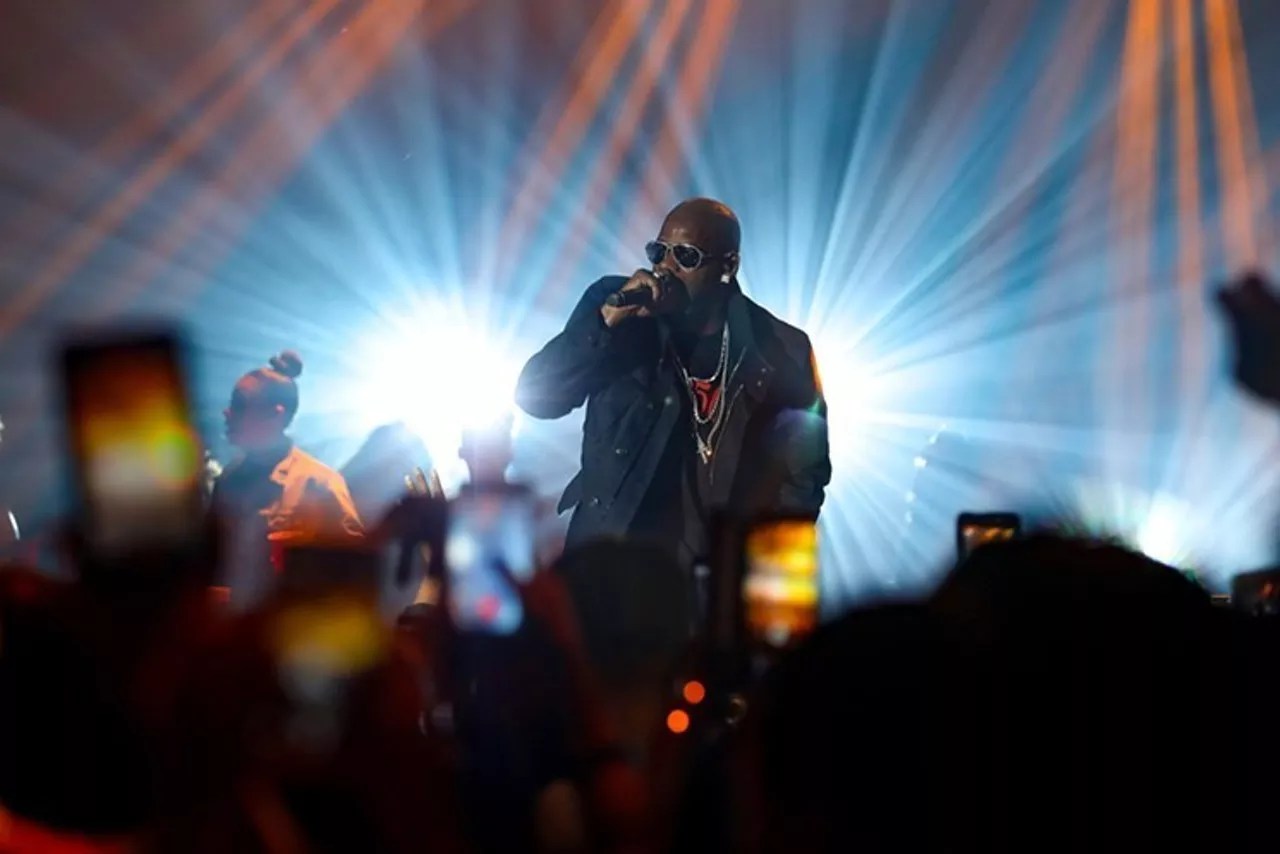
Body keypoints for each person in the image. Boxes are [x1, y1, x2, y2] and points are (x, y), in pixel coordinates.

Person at [516, 198, 831, 566]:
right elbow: (536, 398)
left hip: (713, 575)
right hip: (612, 566)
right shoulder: (618, 315)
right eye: (658, 251)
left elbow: (802, 475)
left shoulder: (782, 349)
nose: (665, 267)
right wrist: (604, 323)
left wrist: (762, 568)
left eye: (685, 256)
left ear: (728, 266)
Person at [213, 351, 362, 603]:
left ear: (276, 414)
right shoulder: (227, 482)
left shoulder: (319, 483)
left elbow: (358, 570)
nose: (227, 413)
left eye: (239, 404)